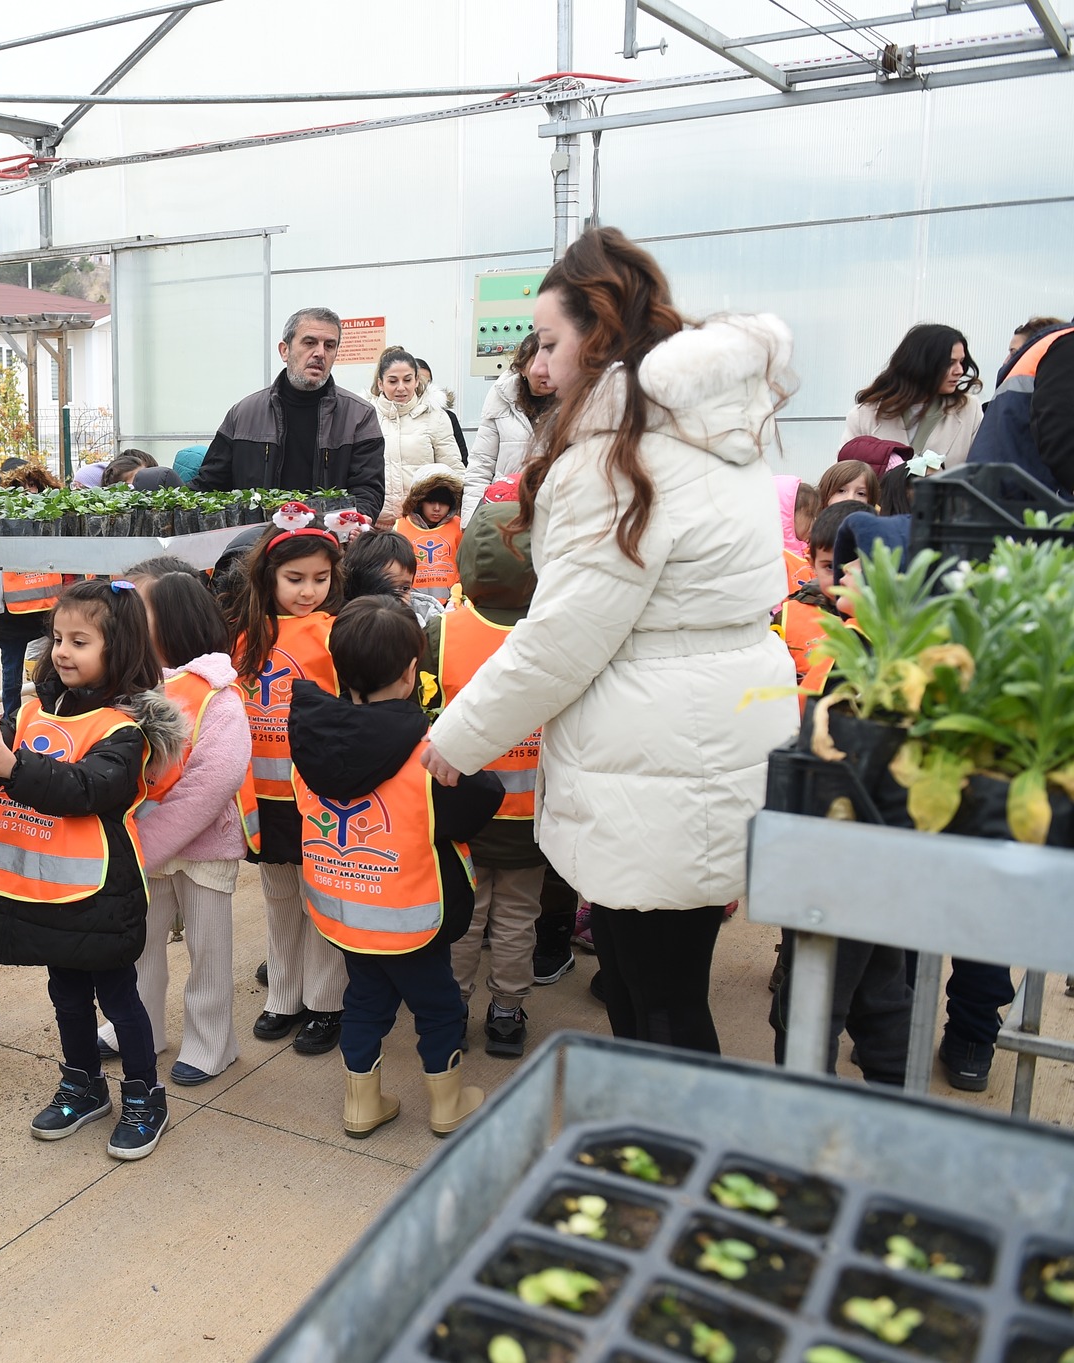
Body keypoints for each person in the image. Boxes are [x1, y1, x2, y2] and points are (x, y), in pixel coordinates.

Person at [423, 227, 799, 1056]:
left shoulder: (620, 459)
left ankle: (666, 1166)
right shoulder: (710, 433)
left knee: (656, 1001)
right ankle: (651, 1154)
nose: (541, 366)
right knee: (649, 975)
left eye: (551, 342)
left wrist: (458, 735)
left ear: (599, 332)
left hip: (659, 753)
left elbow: (564, 634)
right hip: (706, 733)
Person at [0, 579, 186, 1159]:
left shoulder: (125, 730)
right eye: (58, 637)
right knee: (66, 994)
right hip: (45, 893)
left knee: (119, 999)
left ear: (117, 649)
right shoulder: (36, 710)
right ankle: (83, 1082)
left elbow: (86, 788)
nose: (62, 651)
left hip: (101, 893)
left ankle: (145, 1094)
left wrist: (12, 765)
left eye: (80, 641)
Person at [288, 597, 501, 1137]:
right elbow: (482, 798)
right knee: (438, 1007)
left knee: (363, 1000)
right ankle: (447, 1105)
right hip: (412, 915)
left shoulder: (308, 746)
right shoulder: (429, 754)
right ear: (412, 674)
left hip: (345, 910)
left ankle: (362, 1104)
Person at [428, 478, 549, 1059]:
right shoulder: (555, 636)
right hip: (532, 820)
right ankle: (508, 1011)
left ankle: (453, 1009)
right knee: (518, 920)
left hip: (464, 814)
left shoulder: (444, 631)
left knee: (465, 920)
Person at [224, 512, 347, 1056]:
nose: (308, 590)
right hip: (263, 796)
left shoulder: (337, 632)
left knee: (318, 897)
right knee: (278, 896)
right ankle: (283, 993)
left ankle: (326, 1001)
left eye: (319, 578)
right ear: (269, 577)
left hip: (317, 794)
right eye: (295, 579)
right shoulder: (246, 638)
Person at [123, 570, 252, 1086]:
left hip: (200, 847)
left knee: (209, 948)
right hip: (146, 843)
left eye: (141, 614)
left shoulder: (218, 695)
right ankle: (139, 1026)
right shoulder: (137, 682)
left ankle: (211, 1041)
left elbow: (213, 783)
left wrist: (148, 844)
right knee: (142, 944)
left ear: (172, 622)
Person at [190, 308, 387, 521]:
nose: (320, 353)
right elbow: (210, 485)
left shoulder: (359, 416)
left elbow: (368, 491)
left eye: (329, 345)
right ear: (284, 351)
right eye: (309, 342)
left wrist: (358, 518)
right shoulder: (243, 414)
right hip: (257, 546)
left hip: (328, 546)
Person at [0, 462, 70, 724]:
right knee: (10, 674)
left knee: (51, 669)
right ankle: (11, 722)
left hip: (46, 610)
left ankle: (51, 715)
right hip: (11, 613)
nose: (27, 491)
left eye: (32, 484)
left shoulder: (52, 518)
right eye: (18, 486)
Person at [845, 323, 983, 469]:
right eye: (950, 363)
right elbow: (843, 480)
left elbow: (981, 476)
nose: (960, 371)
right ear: (920, 363)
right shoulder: (863, 416)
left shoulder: (969, 409)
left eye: (961, 362)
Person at [968, 320, 1074, 497]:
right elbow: (1058, 430)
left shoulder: (1057, 344)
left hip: (1010, 491)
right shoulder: (1067, 346)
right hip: (1026, 499)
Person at [779, 498, 863, 701]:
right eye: (829, 567)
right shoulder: (787, 616)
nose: (842, 578)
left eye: (855, 567)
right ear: (811, 563)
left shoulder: (890, 619)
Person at [464, 334, 554, 521]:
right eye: (540, 364)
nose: (548, 372)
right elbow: (481, 464)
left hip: (553, 513)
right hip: (505, 513)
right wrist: (471, 521)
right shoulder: (501, 397)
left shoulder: (574, 402)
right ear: (521, 368)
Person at [371, 347, 460, 510]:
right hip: (376, 523)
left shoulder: (435, 417)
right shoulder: (366, 418)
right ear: (380, 383)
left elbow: (453, 471)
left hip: (422, 524)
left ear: (417, 380)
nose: (401, 387)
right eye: (392, 381)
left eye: (407, 380)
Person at [392, 465, 465, 604]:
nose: (437, 508)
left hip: (452, 604)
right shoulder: (399, 527)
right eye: (431, 502)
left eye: (443, 503)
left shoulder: (459, 527)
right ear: (419, 501)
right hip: (409, 604)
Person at [413, 357, 470, 464]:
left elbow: (461, 458)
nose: (423, 386)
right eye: (420, 381)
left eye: (427, 382)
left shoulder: (446, 417)